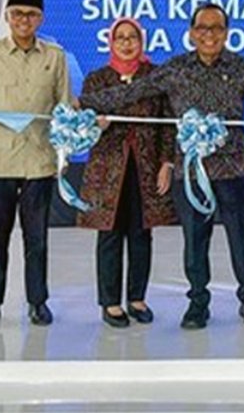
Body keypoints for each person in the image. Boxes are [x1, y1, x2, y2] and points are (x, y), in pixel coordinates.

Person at [80, 3, 244, 329]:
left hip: (233, 169)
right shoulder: (175, 69)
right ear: (192, 33)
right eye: (202, 28)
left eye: (216, 28)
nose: (209, 35)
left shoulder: (243, 67)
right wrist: (84, 103)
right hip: (190, 173)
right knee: (195, 242)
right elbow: (133, 92)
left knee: (241, 237)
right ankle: (198, 304)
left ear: (226, 33)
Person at [0, 0, 72, 330]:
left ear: (41, 19)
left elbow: (65, 105)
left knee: (37, 239)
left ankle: (38, 303)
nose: (25, 20)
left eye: (32, 14)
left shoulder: (55, 57)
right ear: (8, 16)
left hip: (39, 161)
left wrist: (73, 130)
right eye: (18, 13)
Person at [79, 18, 177, 328]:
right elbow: (82, 125)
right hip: (108, 168)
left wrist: (167, 163)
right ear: (111, 42)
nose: (126, 43)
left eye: (132, 37)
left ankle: (137, 298)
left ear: (141, 41)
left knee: (141, 233)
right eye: (120, 37)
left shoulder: (156, 77)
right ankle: (110, 302)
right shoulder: (97, 79)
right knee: (109, 233)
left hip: (146, 166)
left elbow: (168, 124)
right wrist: (95, 125)